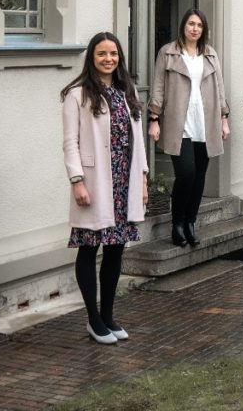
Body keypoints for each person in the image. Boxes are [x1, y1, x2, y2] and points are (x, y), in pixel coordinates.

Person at [62, 32, 148, 345]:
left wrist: (143, 179)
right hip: (95, 184)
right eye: (102, 54)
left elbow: (137, 141)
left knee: (115, 249)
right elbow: (70, 142)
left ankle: (109, 315)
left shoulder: (127, 90)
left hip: (124, 182)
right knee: (89, 247)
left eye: (113, 54)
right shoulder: (78, 94)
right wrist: (77, 180)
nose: (108, 59)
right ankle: (93, 318)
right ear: (92, 57)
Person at [148, 9, 230, 247]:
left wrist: (224, 118)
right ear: (183, 26)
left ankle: (190, 223)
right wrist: (154, 118)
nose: (195, 29)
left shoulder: (210, 54)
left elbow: (220, 88)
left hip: (206, 122)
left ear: (203, 30)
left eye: (199, 25)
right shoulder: (168, 52)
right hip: (178, 123)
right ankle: (177, 223)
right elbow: (158, 87)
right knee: (186, 174)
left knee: (200, 176)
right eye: (191, 24)